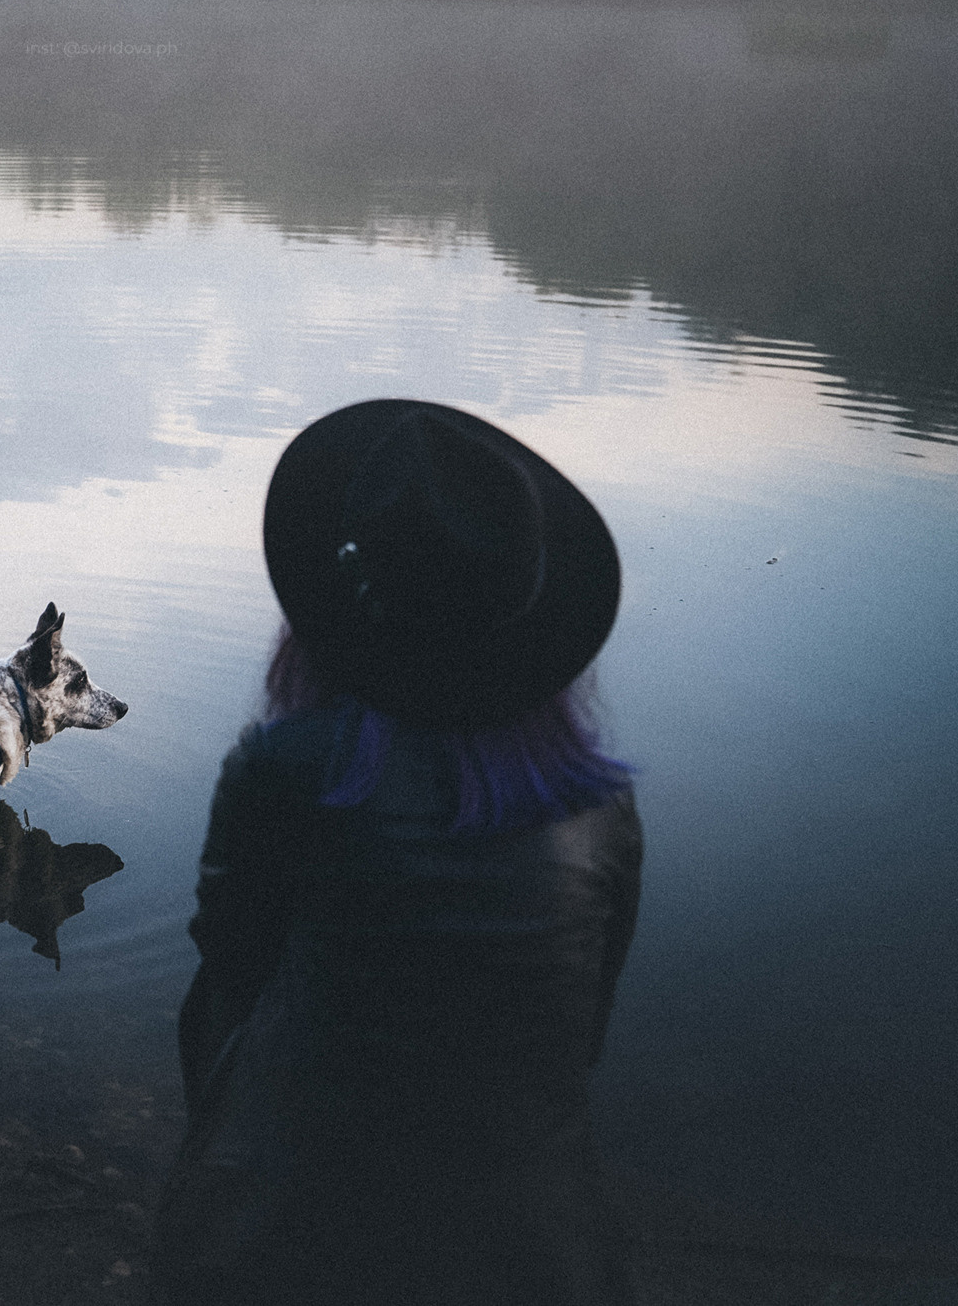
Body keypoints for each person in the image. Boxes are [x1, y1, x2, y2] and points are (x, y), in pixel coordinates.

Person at [151, 399, 643, 1306]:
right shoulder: (600, 805)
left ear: (347, 600)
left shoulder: (289, 768)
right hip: (535, 1250)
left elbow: (227, 988)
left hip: (292, 1239)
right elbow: (579, 1043)